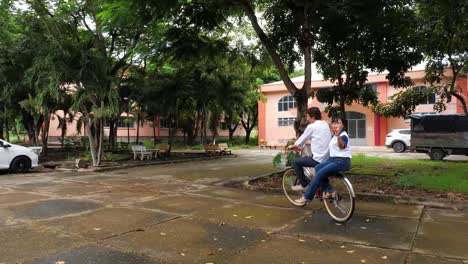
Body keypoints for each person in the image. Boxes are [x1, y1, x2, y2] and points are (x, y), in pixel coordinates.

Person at [295, 117, 352, 205]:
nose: (335, 125)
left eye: (338, 123)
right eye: (334, 123)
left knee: (319, 173)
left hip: (341, 161)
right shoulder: (334, 136)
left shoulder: (343, 135)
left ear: (342, 125)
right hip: (333, 160)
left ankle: (306, 197)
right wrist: (308, 143)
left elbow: (342, 146)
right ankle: (329, 190)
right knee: (318, 167)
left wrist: (338, 137)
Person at [288, 107, 332, 192]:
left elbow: (301, 140)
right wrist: (310, 142)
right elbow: (320, 138)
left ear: (312, 117)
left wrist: (294, 145)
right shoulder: (325, 124)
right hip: (328, 157)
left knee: (296, 162)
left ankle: (304, 184)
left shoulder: (311, 126)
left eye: (308, 117)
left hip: (318, 159)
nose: (307, 119)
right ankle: (321, 189)